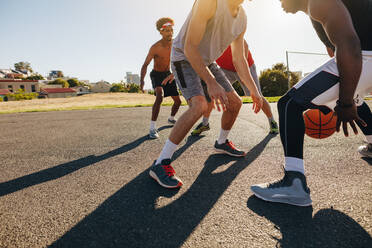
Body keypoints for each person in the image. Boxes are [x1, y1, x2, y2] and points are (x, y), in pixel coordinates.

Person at [251, 0, 372, 206]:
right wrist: (343, 98)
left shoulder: (317, 2)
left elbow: (349, 45)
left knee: (289, 104)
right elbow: (336, 54)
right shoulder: (317, 12)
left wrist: (343, 103)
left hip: (364, 55)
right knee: (352, 95)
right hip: (364, 56)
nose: (279, 1)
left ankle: (294, 182)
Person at [149, 0, 264, 188]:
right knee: (200, 105)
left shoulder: (242, 18)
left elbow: (239, 58)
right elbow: (190, 47)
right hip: (184, 57)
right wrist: (211, 83)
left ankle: (221, 142)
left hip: (208, 61)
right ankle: (161, 162)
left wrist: (254, 90)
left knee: (235, 103)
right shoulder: (209, 3)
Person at [191, 40, 279, 136]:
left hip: (245, 66)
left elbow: (245, 45)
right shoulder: (207, 38)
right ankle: (205, 123)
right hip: (225, 69)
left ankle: (272, 121)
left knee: (257, 95)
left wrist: (243, 72)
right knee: (212, 91)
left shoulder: (228, 29)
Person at [140, 17, 182, 139]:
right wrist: (142, 80)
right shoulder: (155, 47)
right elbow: (145, 64)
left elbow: (181, 60)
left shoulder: (175, 44)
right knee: (160, 95)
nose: (170, 33)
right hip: (156, 74)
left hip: (168, 74)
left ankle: (171, 118)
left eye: (171, 30)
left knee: (178, 101)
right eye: (167, 30)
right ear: (161, 32)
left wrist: (174, 74)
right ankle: (152, 128)